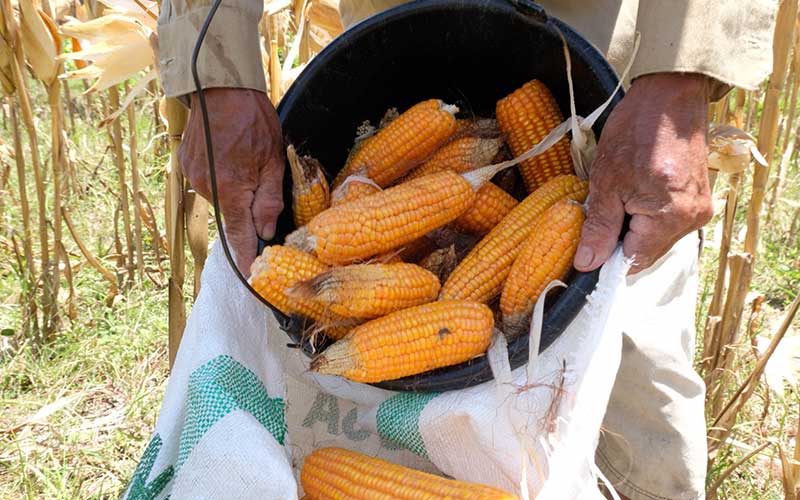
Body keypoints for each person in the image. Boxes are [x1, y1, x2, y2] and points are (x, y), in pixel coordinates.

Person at [156, 1, 775, 498]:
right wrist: (216, 73)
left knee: (635, 396)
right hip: (392, 14)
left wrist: (678, 81)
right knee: (384, 422)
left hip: (605, 42)